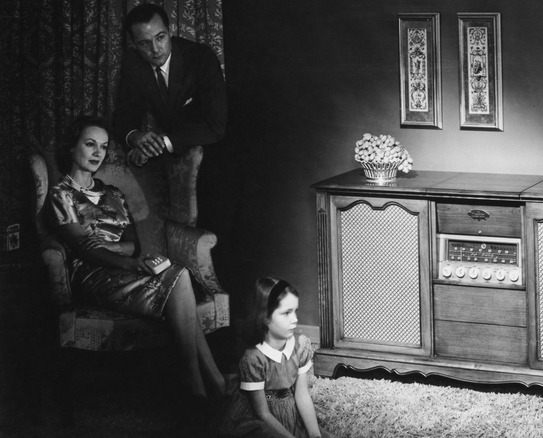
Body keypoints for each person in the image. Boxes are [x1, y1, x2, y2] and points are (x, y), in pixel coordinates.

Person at [46, 114, 226, 405]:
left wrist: (117, 252)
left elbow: (132, 244)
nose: (97, 153)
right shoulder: (61, 195)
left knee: (178, 273)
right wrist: (126, 260)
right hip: (91, 276)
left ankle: (203, 383)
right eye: (90, 144)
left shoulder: (113, 193)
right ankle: (201, 384)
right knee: (177, 278)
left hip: (120, 270)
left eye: (103, 147)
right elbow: (84, 250)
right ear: (71, 147)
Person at [216, 277, 333, 438]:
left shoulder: (300, 346)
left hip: (290, 411)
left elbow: (302, 394)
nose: (295, 319)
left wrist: (315, 434)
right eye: (286, 313)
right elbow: (262, 413)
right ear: (265, 317)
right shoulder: (254, 359)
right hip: (265, 420)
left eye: (295, 311)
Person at [113, 3, 226, 167]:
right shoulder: (133, 63)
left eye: (160, 37)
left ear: (170, 31)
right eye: (144, 43)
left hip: (218, 151)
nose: (155, 49)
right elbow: (124, 116)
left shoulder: (201, 58)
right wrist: (135, 136)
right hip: (174, 157)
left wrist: (158, 145)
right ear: (134, 44)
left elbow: (215, 125)